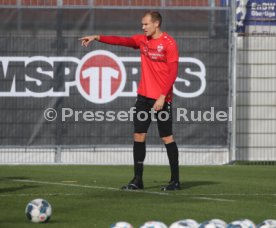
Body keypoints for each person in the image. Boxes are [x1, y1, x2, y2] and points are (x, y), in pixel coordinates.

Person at [79, 11, 180, 191]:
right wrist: (97, 37)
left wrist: (163, 96)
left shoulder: (169, 43)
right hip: (143, 97)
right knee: (139, 136)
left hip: (162, 98)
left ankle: (175, 181)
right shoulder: (142, 40)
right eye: (142, 24)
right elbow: (120, 40)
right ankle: (137, 180)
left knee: (166, 137)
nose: (143, 27)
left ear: (156, 24)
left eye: (146, 24)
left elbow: (173, 72)